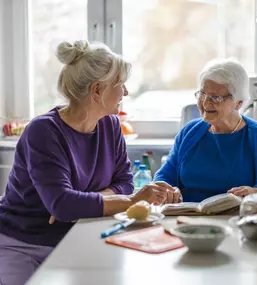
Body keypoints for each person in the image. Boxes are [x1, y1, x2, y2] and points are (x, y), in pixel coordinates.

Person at [0, 40, 179, 285]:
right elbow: (63, 206)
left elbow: (124, 182)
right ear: (97, 90)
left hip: (77, 235)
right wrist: (133, 201)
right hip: (23, 243)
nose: (125, 92)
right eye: (120, 84)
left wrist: (82, 202)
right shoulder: (43, 131)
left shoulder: (110, 125)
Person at [154, 58, 257, 202]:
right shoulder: (189, 132)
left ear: (238, 103)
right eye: (202, 94)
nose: (205, 103)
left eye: (215, 97)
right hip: (187, 217)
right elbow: (164, 177)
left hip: (237, 220)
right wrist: (166, 190)